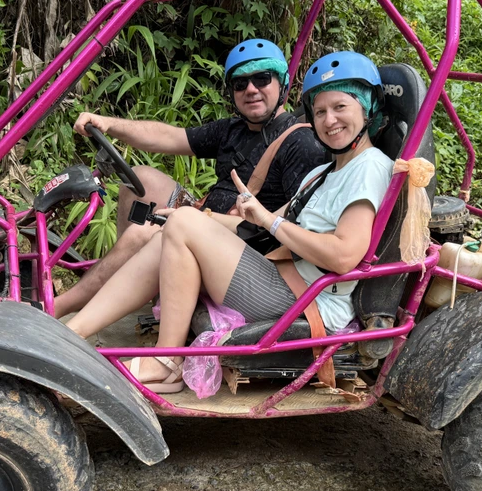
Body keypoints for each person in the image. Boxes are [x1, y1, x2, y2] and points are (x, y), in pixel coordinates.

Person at [66, 51, 394, 391]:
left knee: (183, 226)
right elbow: (260, 228)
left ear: (367, 108)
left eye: (341, 107)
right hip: (281, 276)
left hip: (307, 300)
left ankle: (165, 363)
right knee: (172, 228)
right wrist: (198, 216)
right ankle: (72, 333)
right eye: (321, 110)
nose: (329, 120)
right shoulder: (323, 172)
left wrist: (268, 221)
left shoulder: (369, 167)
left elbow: (343, 256)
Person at [51, 39, 328, 318]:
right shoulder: (233, 129)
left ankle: (58, 307)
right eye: (240, 84)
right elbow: (169, 136)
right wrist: (110, 124)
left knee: (142, 234)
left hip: (248, 248)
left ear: (282, 84)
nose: (251, 90)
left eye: (262, 79)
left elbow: (292, 226)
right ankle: (127, 279)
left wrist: (203, 221)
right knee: (141, 180)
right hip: (207, 220)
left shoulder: (300, 144)